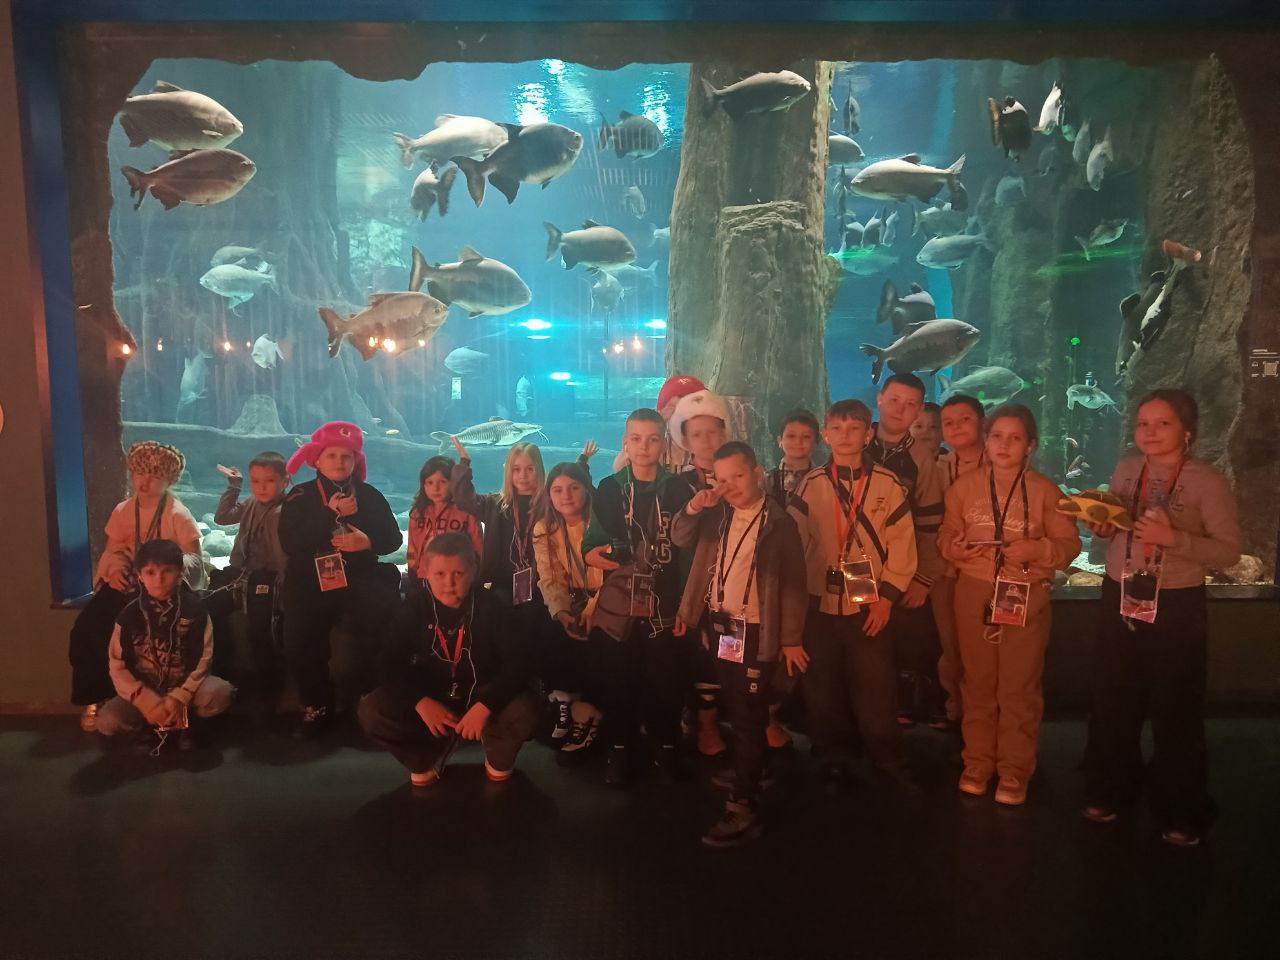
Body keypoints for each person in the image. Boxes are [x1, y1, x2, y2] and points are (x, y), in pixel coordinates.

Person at [1079, 390, 1240, 847]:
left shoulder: (1207, 481)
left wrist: (1175, 539)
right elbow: (1117, 527)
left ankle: (1181, 809)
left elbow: (1228, 551)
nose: (1149, 431)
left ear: (1187, 431)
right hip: (1120, 593)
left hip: (1176, 603)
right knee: (1113, 697)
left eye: (1162, 423)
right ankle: (1110, 789)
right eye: (1143, 423)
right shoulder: (1127, 469)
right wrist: (1102, 526)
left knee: (1175, 708)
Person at [938, 404, 1080, 806]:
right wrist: (954, 548)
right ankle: (978, 762)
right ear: (986, 441)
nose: (1004, 445)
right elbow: (947, 535)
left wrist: (1038, 550)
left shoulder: (1046, 491)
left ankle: (1015, 768)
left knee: (1019, 686)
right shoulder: (963, 488)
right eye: (997, 436)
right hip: (974, 591)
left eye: (1015, 438)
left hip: (1025, 594)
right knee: (978, 682)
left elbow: (1069, 545)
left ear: (1030, 445)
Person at [673, 441, 808, 847]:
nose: (729, 485)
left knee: (748, 715)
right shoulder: (716, 513)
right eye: (721, 478)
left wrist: (791, 639)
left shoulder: (779, 524)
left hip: (756, 632)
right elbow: (680, 537)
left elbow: (794, 585)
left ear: (757, 473)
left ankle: (743, 804)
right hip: (722, 629)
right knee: (736, 706)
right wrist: (694, 507)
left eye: (738, 475)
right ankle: (753, 767)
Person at [790, 399, 919, 792]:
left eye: (854, 429)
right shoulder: (811, 484)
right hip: (819, 604)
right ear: (825, 435)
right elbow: (794, 545)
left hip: (870, 604)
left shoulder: (887, 484)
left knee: (876, 687)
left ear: (869, 434)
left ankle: (888, 760)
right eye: (837, 429)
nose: (845, 436)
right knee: (822, 687)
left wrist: (887, 598)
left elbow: (903, 546)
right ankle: (835, 758)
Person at [358, 533, 538, 786]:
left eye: (458, 573)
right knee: (372, 710)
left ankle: (497, 749)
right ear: (425, 572)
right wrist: (420, 702)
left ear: (474, 571)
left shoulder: (493, 608)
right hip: (433, 699)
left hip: (482, 697)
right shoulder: (413, 608)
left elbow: (520, 664)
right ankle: (424, 757)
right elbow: (387, 663)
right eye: (440, 574)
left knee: (526, 709)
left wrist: (486, 705)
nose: (449, 583)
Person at [583, 408, 693, 786]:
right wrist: (594, 555)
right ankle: (620, 747)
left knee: (665, 680)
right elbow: (592, 543)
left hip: (665, 603)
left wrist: (688, 605)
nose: (644, 447)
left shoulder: (679, 489)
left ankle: (666, 746)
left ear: (664, 445)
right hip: (620, 605)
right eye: (636, 439)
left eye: (652, 439)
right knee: (620, 680)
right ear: (625, 444)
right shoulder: (610, 488)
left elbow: (689, 553)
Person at [70, 440, 205, 732]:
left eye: (154, 476)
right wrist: (115, 566)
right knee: (88, 628)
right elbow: (113, 549)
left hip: (165, 587)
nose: (144, 481)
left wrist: (169, 569)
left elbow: (194, 558)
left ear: (168, 480)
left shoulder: (177, 514)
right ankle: (95, 696)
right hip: (129, 585)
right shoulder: (123, 510)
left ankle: (172, 702)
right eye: (139, 473)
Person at [279, 421, 403, 738]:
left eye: (346, 456)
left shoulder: (370, 495)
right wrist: (327, 514)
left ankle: (369, 699)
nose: (339, 461)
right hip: (311, 579)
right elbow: (290, 544)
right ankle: (317, 704)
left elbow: (393, 539)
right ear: (317, 460)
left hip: (359, 576)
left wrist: (368, 542)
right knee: (299, 633)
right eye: (332, 455)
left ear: (355, 460)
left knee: (383, 615)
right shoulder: (299, 495)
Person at [96, 539, 234, 751]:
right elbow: (117, 665)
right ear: (140, 576)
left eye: (167, 571)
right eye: (150, 572)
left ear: (180, 573)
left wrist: (179, 697)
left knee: (220, 693)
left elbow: (203, 658)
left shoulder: (195, 610)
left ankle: (188, 724)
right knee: (107, 721)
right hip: (146, 690)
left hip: (185, 690)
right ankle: (148, 728)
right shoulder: (128, 615)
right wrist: (145, 701)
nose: (159, 579)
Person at [866, 373, 946, 727]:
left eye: (911, 403)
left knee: (905, 643)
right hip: (856, 572)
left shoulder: (921, 457)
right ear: (879, 398)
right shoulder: (857, 440)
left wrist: (924, 577)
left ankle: (902, 712)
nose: (901, 409)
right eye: (895, 400)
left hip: (903, 571)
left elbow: (931, 521)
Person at [668, 388, 733, 758]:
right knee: (701, 655)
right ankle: (705, 723)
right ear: (686, 440)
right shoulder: (678, 485)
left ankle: (751, 718)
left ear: (725, 432)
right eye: (697, 434)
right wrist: (694, 508)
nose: (707, 441)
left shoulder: (741, 475)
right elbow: (677, 538)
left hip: (738, 584)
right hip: (694, 584)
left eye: (713, 431)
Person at [532, 461, 605, 763]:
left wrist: (593, 607)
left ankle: (591, 711)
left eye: (574, 488)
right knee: (550, 629)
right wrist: (561, 612)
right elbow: (550, 577)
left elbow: (615, 573)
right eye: (558, 490)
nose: (566, 496)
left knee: (600, 639)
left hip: (605, 598)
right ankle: (565, 703)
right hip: (571, 599)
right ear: (549, 495)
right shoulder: (544, 528)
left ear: (586, 490)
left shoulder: (603, 523)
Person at [206, 451, 289, 704]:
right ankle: (222, 672)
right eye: (255, 481)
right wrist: (235, 486)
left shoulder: (282, 512)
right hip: (239, 572)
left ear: (285, 481)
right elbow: (222, 518)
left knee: (259, 626)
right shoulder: (252, 502)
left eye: (269, 481)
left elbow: (282, 559)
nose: (261, 487)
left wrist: (285, 591)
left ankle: (269, 685)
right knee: (209, 606)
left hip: (266, 576)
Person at [932, 394, 987, 727]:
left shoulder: (1002, 462)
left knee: (985, 650)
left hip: (989, 573)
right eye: (948, 423)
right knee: (952, 647)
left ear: (982, 422)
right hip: (947, 571)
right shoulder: (938, 467)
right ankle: (958, 715)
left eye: (965, 420)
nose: (956, 428)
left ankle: (985, 721)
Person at [405, 455, 483, 590]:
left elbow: (478, 546)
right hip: (424, 577)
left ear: (453, 482)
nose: (435, 488)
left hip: (458, 578)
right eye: (429, 482)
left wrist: (476, 574)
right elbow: (412, 547)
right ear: (423, 485)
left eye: (442, 482)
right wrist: (413, 572)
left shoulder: (466, 511)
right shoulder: (417, 513)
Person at [767, 409, 820, 508]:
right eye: (791, 436)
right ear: (780, 440)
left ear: (816, 442)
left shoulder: (823, 480)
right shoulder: (767, 481)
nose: (798, 441)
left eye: (806, 436)